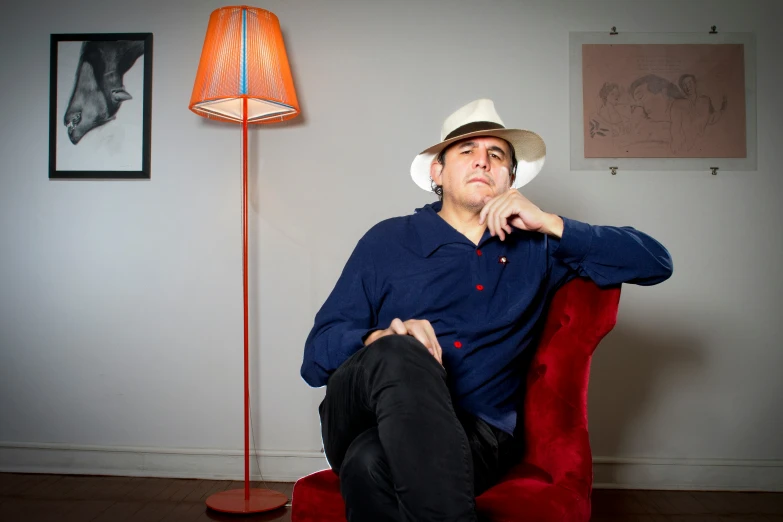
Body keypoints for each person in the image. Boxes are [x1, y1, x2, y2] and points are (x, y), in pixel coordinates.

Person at [300, 99, 673, 522]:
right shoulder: (386, 241)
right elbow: (316, 358)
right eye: (466, 151)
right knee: (400, 351)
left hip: (476, 434)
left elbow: (656, 262)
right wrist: (376, 340)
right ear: (437, 173)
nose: (482, 161)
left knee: (368, 463)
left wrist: (551, 222)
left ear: (510, 178)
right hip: (362, 411)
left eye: (496, 155)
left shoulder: (540, 248)